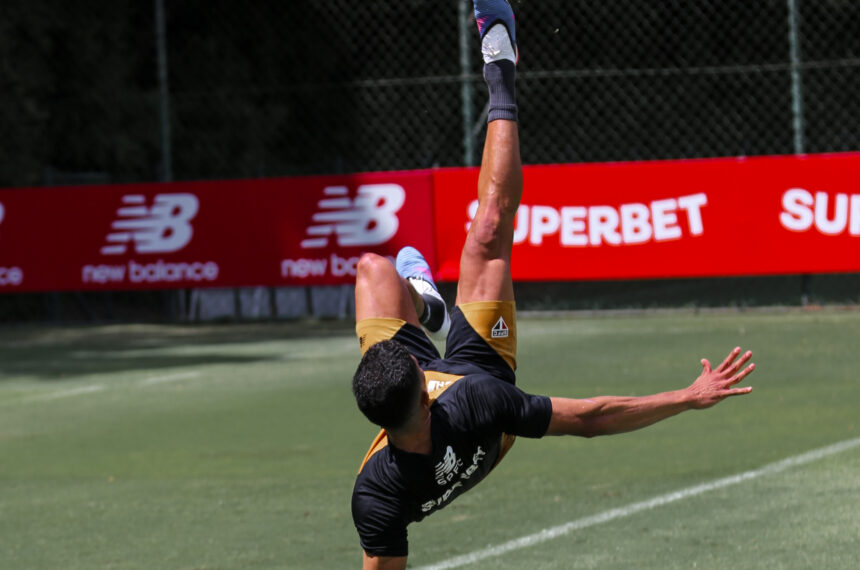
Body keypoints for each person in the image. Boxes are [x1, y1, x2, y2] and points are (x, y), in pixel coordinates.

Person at [350, 2, 755, 568]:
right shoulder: (425, 452)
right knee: (478, 235)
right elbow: (588, 419)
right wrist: (687, 397)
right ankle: (427, 306)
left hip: (427, 388)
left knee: (379, 267)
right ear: (422, 387)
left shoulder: (396, 420)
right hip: (479, 371)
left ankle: (501, 71)